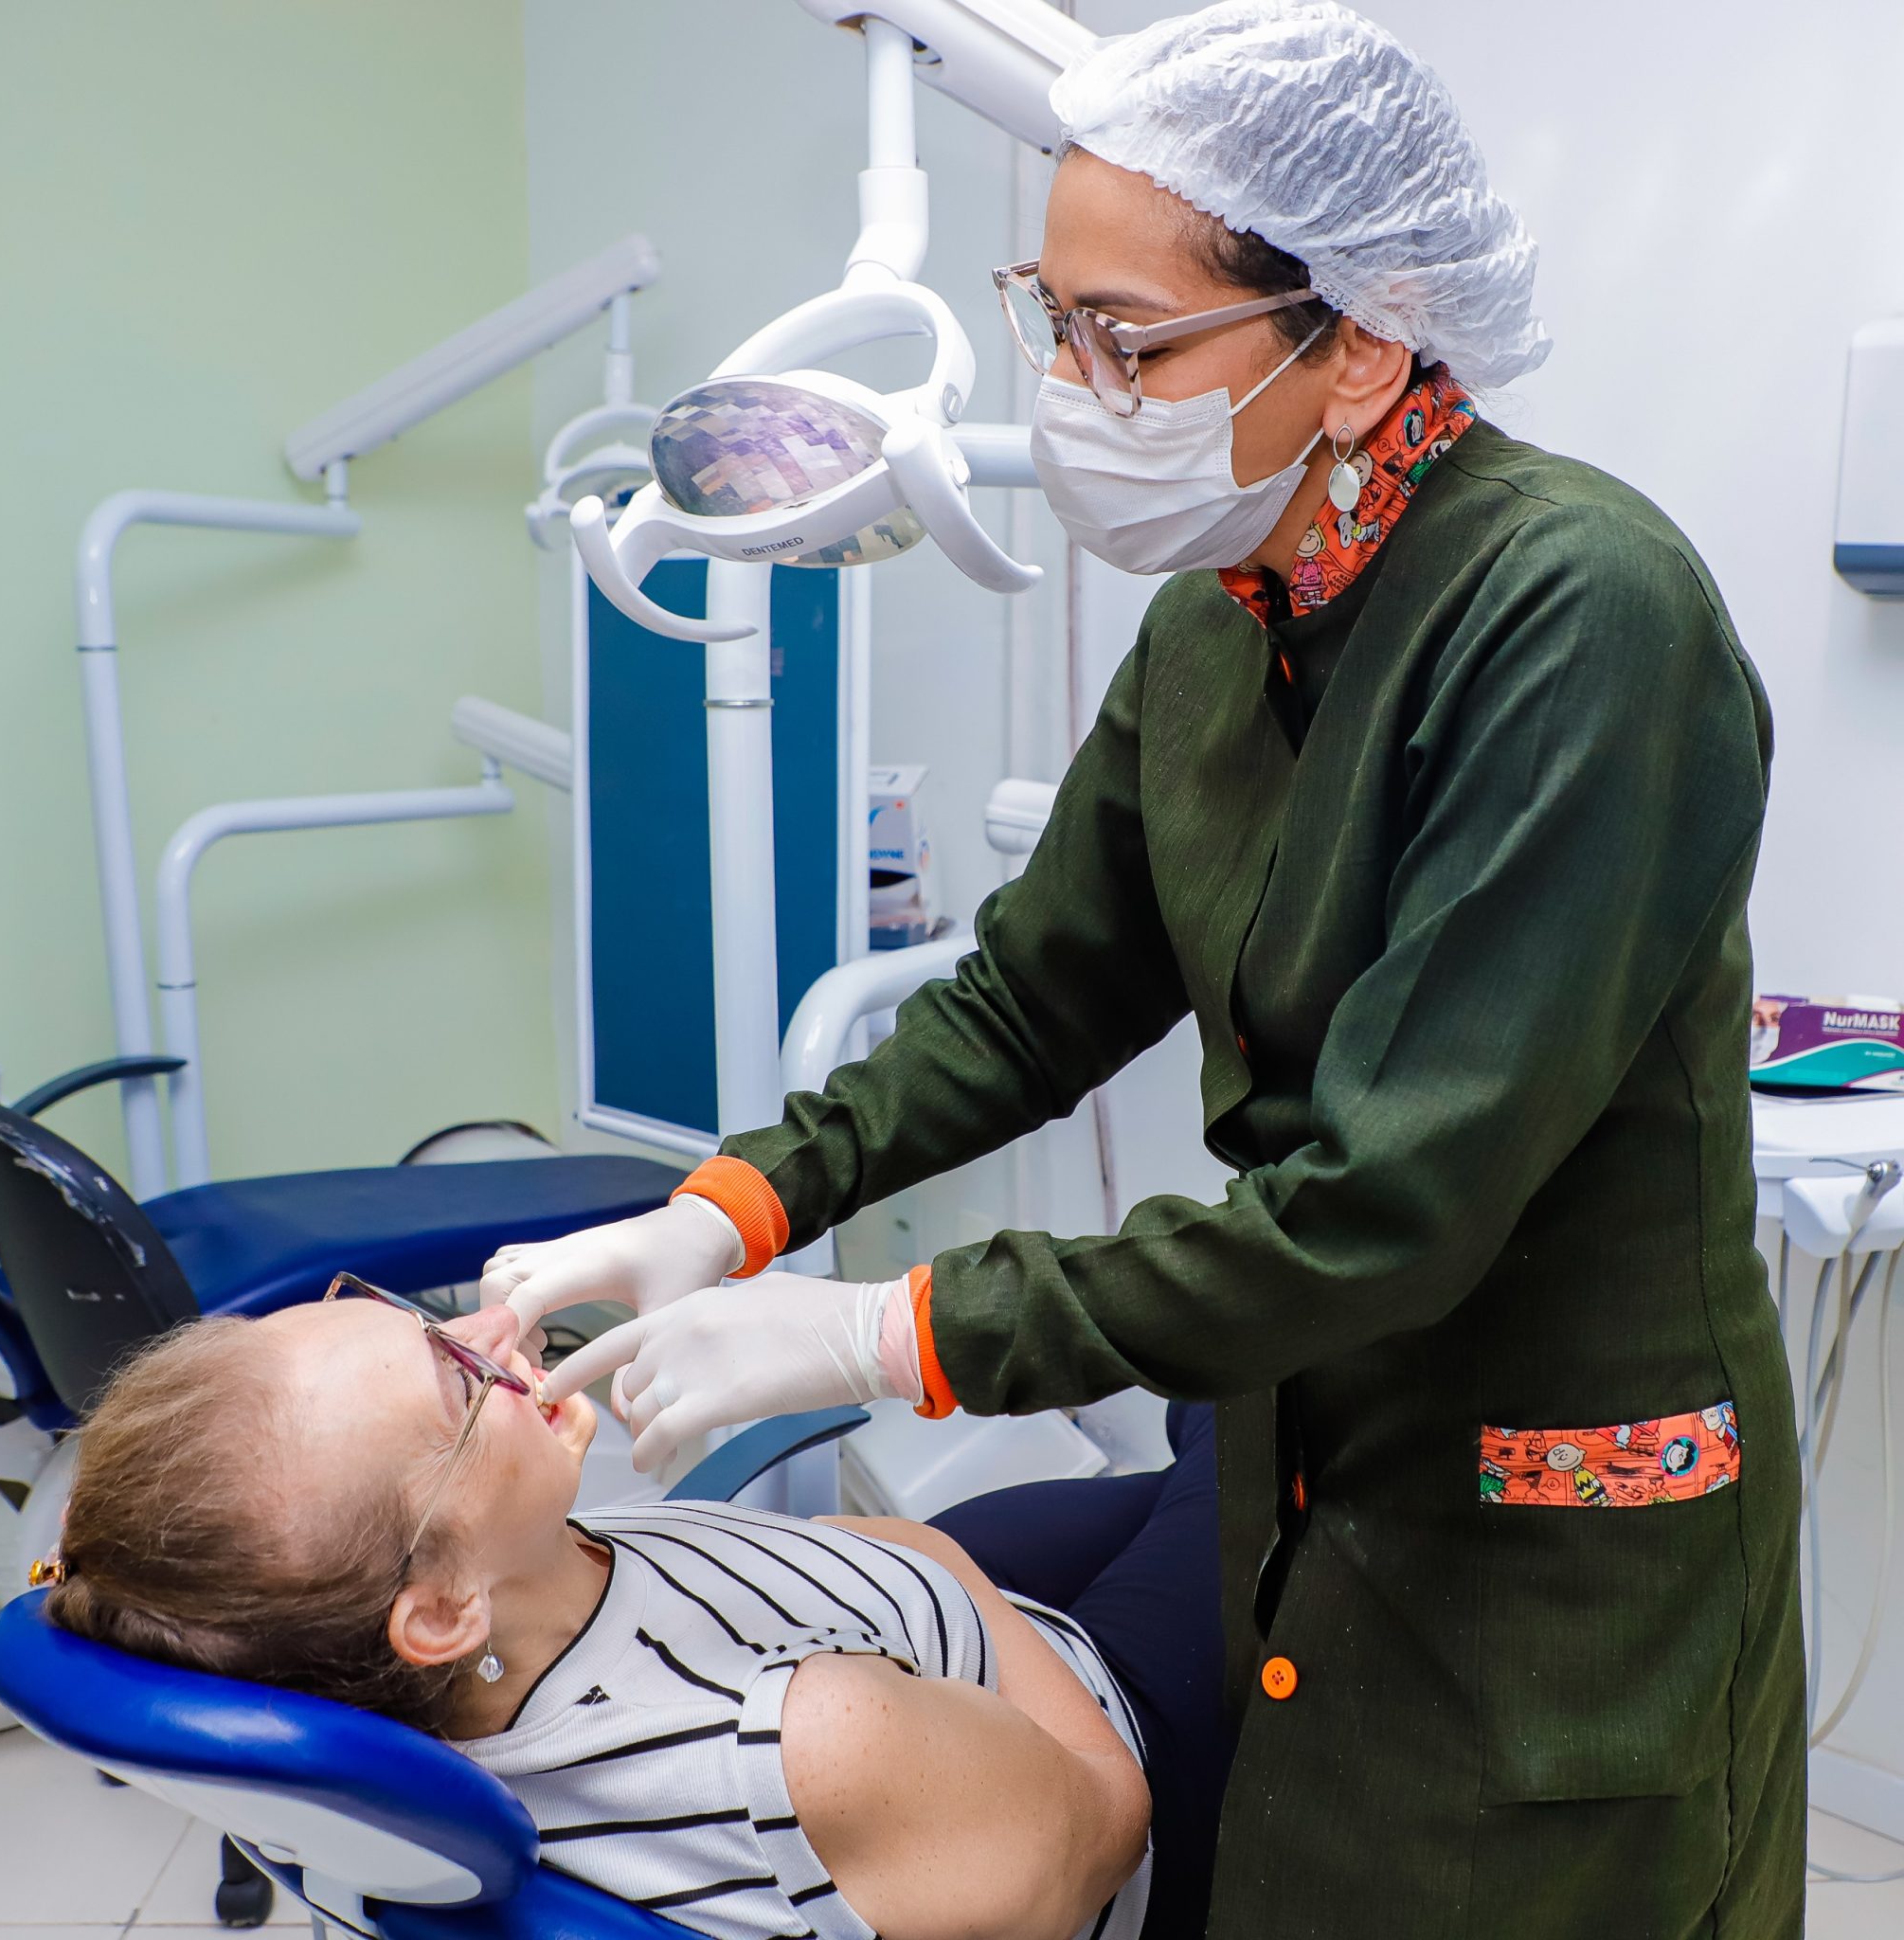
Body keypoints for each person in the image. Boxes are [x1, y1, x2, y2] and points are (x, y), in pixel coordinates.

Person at [481, 5, 1805, 1933]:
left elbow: (1385, 1208)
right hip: (1300, 1447)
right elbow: (1030, 1000)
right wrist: (732, 1205)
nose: (1072, 390)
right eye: (1052, 320)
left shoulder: (1580, 613)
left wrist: (882, 1336)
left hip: (1549, 1512)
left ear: (1359, 341)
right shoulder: (1215, 625)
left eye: (1130, 339)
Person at [41, 1279, 1235, 1940]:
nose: (496, 1326)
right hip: (1094, 1732)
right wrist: (938, 1561)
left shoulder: (399, 1660)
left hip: (908, 1639)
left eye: (419, 1313)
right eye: (455, 1373)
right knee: (1263, 1406)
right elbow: (1109, 1820)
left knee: (1208, 1449)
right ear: (442, 1608)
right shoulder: (800, 1747)